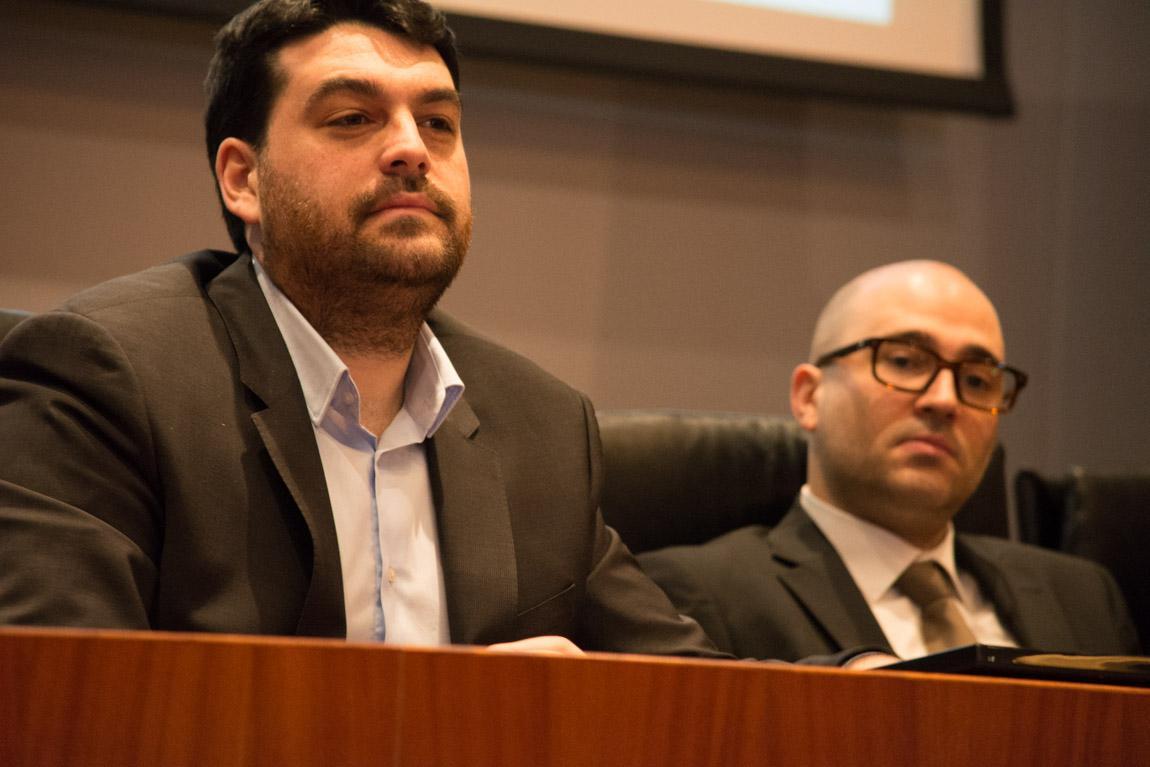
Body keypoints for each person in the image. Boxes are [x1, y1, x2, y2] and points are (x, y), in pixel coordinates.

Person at [0, 0, 725, 658]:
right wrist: (465, 718)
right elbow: (59, 702)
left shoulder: (544, 425)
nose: (412, 149)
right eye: (352, 118)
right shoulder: (105, 378)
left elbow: (699, 699)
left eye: (438, 123)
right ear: (244, 179)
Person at [640, 261, 1142, 661]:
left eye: (976, 380)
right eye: (904, 361)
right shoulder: (695, 596)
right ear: (809, 397)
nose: (944, 400)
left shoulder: (1085, 596)